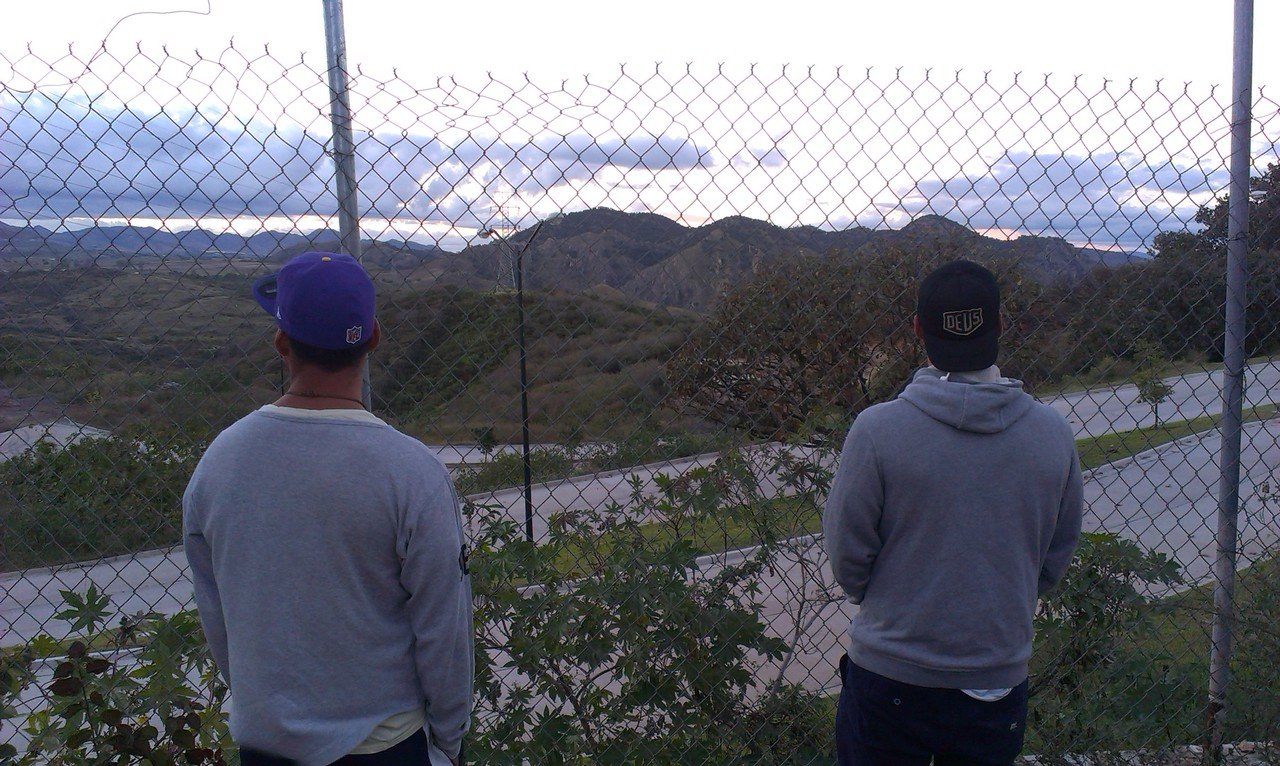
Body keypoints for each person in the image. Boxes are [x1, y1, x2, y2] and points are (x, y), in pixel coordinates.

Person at [183, 252, 472, 766]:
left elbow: (218, 616)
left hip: (268, 746)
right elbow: (442, 630)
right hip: (386, 747)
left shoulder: (220, 462)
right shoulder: (412, 472)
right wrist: (448, 741)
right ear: (375, 338)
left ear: (281, 344)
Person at [822, 259, 1083, 765]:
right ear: (1000, 326)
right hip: (993, 679)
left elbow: (848, 559)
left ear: (919, 329)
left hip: (890, 674)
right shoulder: (1052, 434)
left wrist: (896, 598)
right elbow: (1053, 558)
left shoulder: (877, 431)